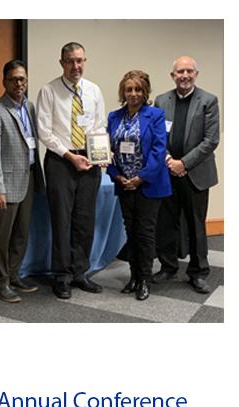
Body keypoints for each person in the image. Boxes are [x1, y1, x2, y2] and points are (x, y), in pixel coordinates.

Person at [36, 42, 106, 299]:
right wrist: (70, 156)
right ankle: (62, 276)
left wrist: (99, 154)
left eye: (79, 60)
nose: (75, 66)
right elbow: (44, 132)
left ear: (84, 61)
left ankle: (79, 273)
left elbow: (99, 126)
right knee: (62, 221)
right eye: (70, 61)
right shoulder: (49, 91)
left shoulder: (94, 90)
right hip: (61, 161)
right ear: (62, 63)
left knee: (85, 220)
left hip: (89, 161)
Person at [152, 56, 220, 294]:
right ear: (173, 76)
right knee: (167, 222)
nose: (185, 75)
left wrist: (184, 164)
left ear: (196, 74)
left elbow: (211, 140)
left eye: (189, 71)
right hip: (168, 171)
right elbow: (157, 137)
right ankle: (168, 266)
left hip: (196, 173)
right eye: (180, 71)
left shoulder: (208, 100)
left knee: (195, 224)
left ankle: (198, 272)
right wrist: (170, 161)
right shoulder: (161, 100)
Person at [0, 60, 44, 303]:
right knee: (2, 236)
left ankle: (14, 274)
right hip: (6, 184)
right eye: (14, 79)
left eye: (22, 79)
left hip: (29, 177)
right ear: (4, 82)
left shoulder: (29, 106)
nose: (19, 83)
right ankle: (0, 282)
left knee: (22, 232)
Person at [106, 71, 171, 301]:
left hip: (148, 185)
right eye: (129, 89)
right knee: (131, 231)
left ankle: (144, 279)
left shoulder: (155, 115)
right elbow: (106, 150)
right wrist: (117, 175)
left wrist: (141, 177)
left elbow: (158, 150)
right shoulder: (114, 117)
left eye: (138, 89)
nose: (133, 94)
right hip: (124, 184)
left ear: (145, 92)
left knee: (145, 233)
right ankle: (133, 276)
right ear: (122, 92)